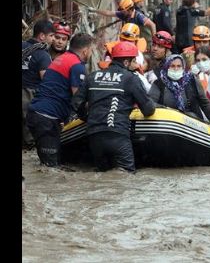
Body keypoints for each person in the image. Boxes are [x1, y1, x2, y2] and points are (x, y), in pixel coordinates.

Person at [72, 41, 156, 173]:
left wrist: (86, 118)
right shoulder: (131, 78)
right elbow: (148, 109)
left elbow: (76, 103)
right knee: (127, 175)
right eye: (134, 61)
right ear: (127, 62)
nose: (136, 65)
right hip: (118, 135)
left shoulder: (93, 76)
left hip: (95, 136)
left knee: (102, 175)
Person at [26, 33, 93, 167]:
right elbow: (78, 98)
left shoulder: (61, 58)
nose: (90, 54)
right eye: (91, 50)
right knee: (51, 168)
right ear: (85, 50)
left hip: (37, 115)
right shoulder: (77, 65)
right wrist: (89, 116)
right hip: (46, 118)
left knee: (48, 165)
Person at [148, 54, 210, 123]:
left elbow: (205, 104)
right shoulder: (159, 83)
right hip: (167, 122)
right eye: (172, 66)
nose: (176, 69)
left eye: (179, 66)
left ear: (183, 67)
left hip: (193, 123)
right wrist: (166, 109)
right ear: (167, 67)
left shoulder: (192, 81)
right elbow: (151, 102)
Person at [22, 19, 55, 148]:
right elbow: (46, 79)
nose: (53, 39)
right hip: (30, 93)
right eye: (51, 36)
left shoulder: (23, 45)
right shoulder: (43, 54)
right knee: (29, 126)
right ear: (42, 36)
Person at [91, 0, 156, 35]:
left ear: (130, 9)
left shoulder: (139, 16)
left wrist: (154, 40)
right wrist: (94, 10)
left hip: (139, 43)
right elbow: (109, 13)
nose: (121, 12)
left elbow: (152, 25)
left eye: (123, 11)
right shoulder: (124, 14)